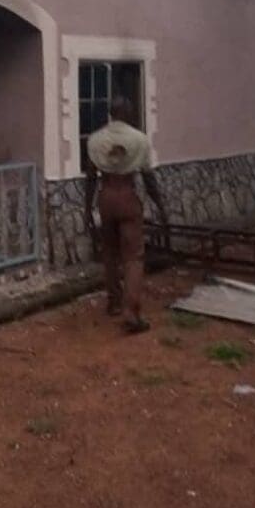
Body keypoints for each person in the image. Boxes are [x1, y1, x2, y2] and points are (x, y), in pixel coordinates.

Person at [84, 96, 168, 334]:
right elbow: (149, 178)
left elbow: (91, 177)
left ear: (110, 113)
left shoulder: (95, 139)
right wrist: (160, 206)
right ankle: (131, 312)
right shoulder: (139, 140)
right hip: (127, 195)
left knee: (110, 253)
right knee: (133, 256)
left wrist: (87, 210)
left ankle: (113, 302)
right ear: (128, 113)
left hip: (106, 196)